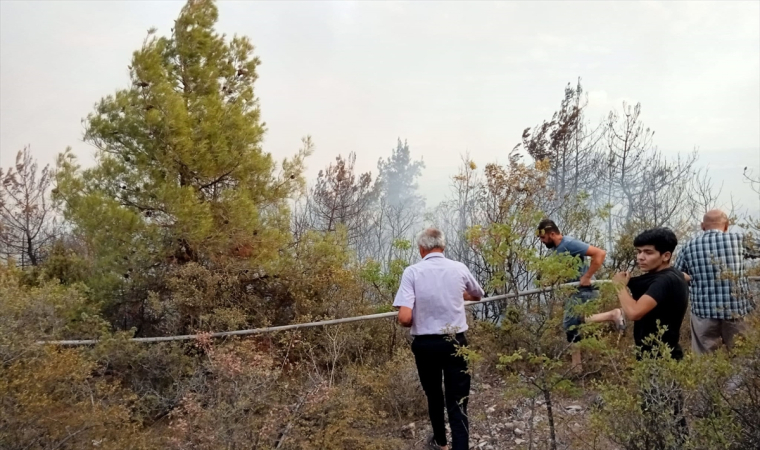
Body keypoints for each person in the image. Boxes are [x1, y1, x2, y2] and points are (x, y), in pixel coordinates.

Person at [394, 228, 485, 450]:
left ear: (421, 249)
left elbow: (405, 317)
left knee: (434, 395)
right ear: (443, 247)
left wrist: (410, 314)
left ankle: (440, 443)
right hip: (455, 342)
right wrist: (454, 294)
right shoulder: (458, 268)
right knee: (458, 401)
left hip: (426, 345)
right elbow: (477, 294)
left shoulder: (412, 272)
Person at [601, 228, 690, 360]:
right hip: (661, 355)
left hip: (659, 359)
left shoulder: (664, 280)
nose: (640, 257)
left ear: (666, 256)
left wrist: (620, 286)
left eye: (648, 252)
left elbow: (634, 313)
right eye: (638, 251)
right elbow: (685, 276)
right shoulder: (673, 275)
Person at [673, 210, 753, 354]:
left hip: (703, 312)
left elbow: (676, 275)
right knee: (742, 356)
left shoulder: (688, 247)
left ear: (702, 226)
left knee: (705, 361)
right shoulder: (739, 240)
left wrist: (693, 279)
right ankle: (738, 378)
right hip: (736, 310)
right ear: (727, 225)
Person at [536, 219, 607, 368]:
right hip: (575, 292)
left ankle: (614, 314)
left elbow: (599, 253)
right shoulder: (557, 249)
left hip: (585, 291)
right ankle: (577, 366)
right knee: (572, 326)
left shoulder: (568, 243)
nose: (542, 241)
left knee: (571, 324)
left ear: (552, 234)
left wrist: (587, 276)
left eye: (543, 238)